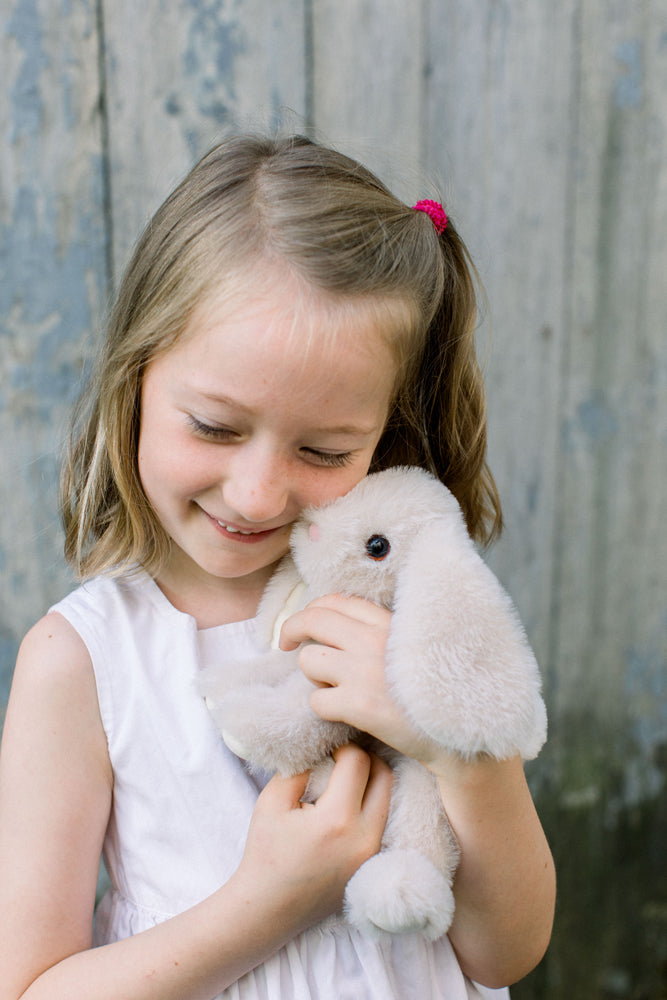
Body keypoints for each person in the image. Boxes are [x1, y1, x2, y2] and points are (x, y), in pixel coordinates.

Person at [0, 133, 555, 1000]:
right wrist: (270, 901)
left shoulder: (415, 612)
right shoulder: (82, 663)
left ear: (384, 433)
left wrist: (460, 756)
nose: (258, 496)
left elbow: (504, 951)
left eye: (325, 448)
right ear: (135, 379)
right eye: (215, 428)